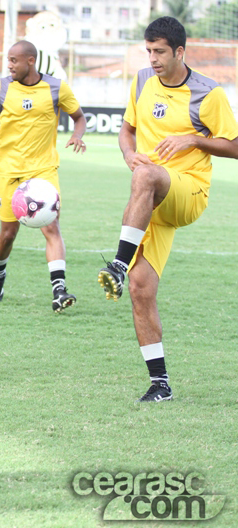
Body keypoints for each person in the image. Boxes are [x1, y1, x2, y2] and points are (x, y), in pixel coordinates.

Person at [97, 17, 238, 402]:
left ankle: (117, 265)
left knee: (146, 178)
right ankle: (160, 384)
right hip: (152, 202)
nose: (153, 59)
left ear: (179, 51)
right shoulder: (142, 80)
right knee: (142, 290)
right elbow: (127, 129)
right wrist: (129, 153)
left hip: (188, 192)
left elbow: (236, 145)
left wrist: (193, 139)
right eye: (149, 51)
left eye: (160, 51)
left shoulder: (208, 94)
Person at [0, 40, 87, 312]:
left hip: (43, 171)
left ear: (30, 60)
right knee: (8, 233)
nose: (9, 65)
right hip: (10, 173)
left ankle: (59, 290)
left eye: (14, 60)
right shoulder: (2, 87)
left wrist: (77, 135)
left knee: (51, 227)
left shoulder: (56, 87)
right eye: (8, 60)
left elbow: (79, 117)